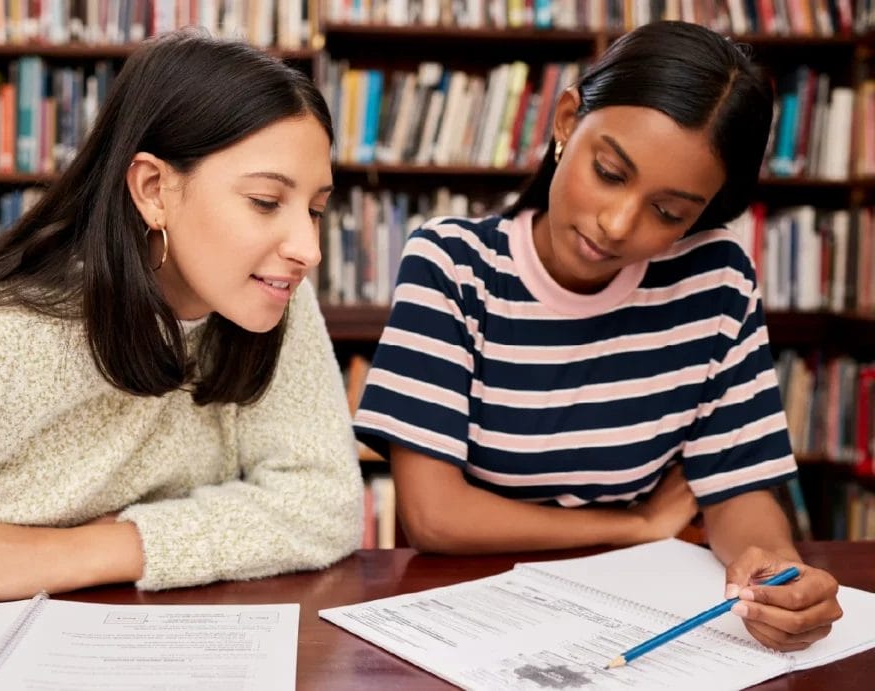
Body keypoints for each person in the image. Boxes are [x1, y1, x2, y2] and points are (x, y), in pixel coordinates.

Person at [354, 21, 841, 652]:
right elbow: (435, 517)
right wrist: (637, 524)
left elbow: (737, 487)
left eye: (669, 213)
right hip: (467, 613)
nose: (616, 224)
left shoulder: (713, 280)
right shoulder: (451, 265)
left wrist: (772, 566)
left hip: (632, 606)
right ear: (564, 123)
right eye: (610, 172)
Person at [0, 31, 363, 603]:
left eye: (316, 209)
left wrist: (76, 552)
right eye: (266, 202)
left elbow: (324, 503)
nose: (308, 250)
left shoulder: (271, 298)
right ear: (153, 190)